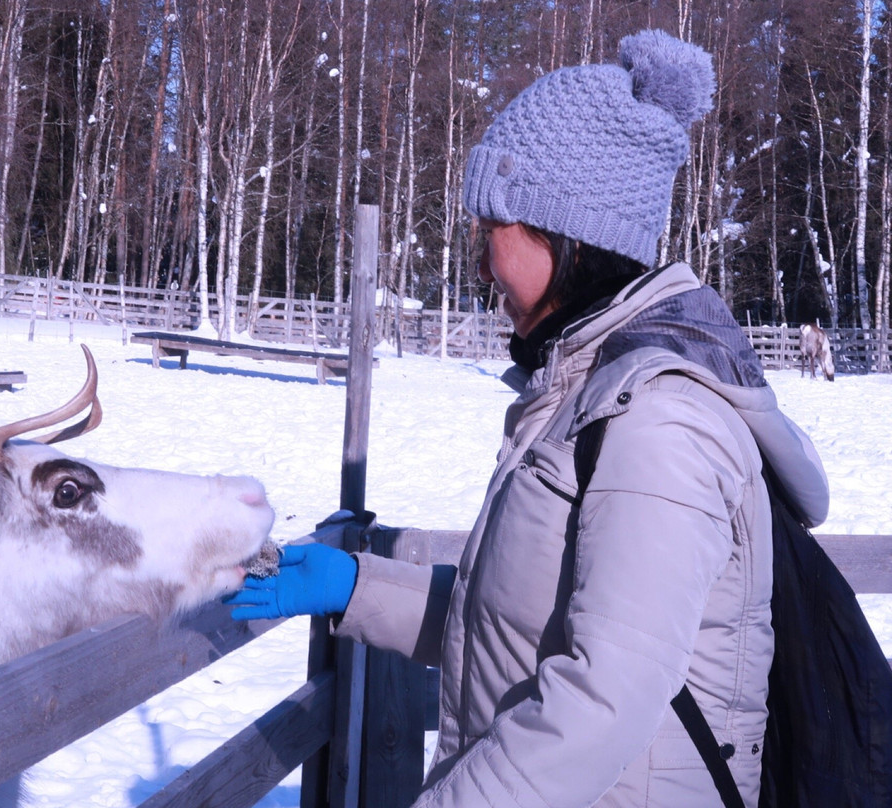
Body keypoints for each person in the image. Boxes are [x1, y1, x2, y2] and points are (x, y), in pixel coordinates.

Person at [226, 29, 829, 808]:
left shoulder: (660, 424)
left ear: (568, 233)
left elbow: (598, 704)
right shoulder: (586, 394)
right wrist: (358, 587)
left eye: (491, 235)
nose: (481, 268)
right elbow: (517, 635)